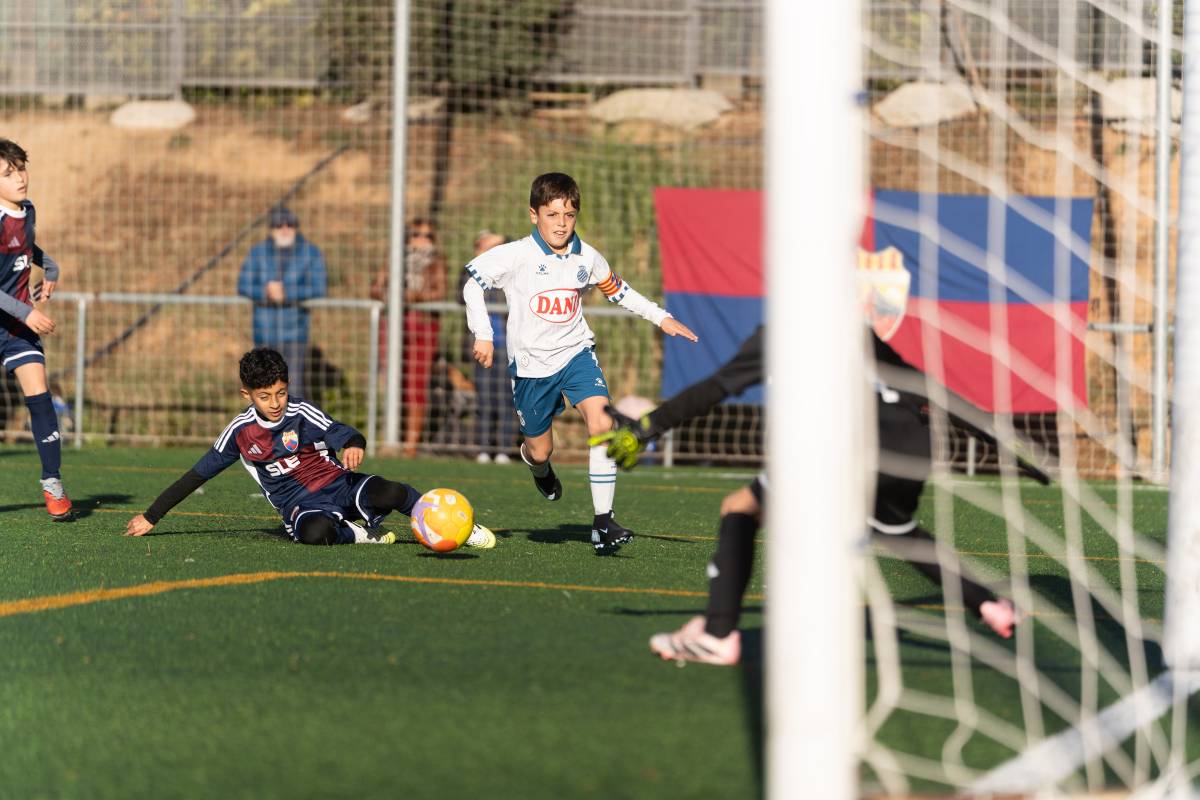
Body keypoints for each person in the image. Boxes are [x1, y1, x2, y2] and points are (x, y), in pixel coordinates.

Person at [592, 327, 1030, 665]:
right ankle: (990, 604)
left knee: (740, 508)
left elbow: (716, 388)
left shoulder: (783, 329)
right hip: (908, 445)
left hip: (841, 444)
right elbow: (922, 390)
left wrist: (648, 427)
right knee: (897, 530)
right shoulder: (854, 327)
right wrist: (1003, 442)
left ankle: (717, 635)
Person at [463, 172, 698, 554]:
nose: (561, 223)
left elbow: (618, 290)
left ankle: (602, 523)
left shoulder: (586, 256)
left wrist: (661, 317)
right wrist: (483, 333)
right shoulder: (516, 255)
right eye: (552, 214)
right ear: (533, 214)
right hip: (531, 368)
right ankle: (538, 468)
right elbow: (473, 282)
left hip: (576, 354)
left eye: (568, 215)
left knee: (603, 422)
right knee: (540, 450)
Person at [123, 347, 496, 549]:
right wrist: (152, 516)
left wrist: (352, 444)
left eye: (281, 392)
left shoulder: (300, 411)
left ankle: (460, 527)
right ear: (247, 395)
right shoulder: (240, 432)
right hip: (301, 505)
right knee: (315, 534)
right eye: (265, 396)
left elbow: (339, 431)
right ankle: (362, 534)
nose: (275, 402)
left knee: (392, 491)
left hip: (340, 484)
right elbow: (197, 474)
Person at [0, 139, 72, 519]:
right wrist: (27, 313)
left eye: (21, 169)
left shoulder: (26, 210)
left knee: (40, 395)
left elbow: (27, 248)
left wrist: (52, 268)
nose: (20, 178)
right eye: (8, 174)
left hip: (14, 329)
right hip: (16, 317)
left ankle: (52, 483)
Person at [371, 219, 447, 458]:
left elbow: (440, 291)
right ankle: (391, 436)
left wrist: (413, 296)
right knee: (392, 381)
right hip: (393, 325)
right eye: (416, 234)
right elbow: (375, 288)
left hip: (422, 327)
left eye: (428, 235)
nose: (422, 239)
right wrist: (388, 293)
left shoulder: (436, 261)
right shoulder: (395, 259)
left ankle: (411, 444)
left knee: (416, 385)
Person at [237, 206, 327, 400]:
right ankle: (265, 431)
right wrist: (266, 292)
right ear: (271, 228)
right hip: (265, 332)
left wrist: (287, 293)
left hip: (295, 334)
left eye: (290, 224)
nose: (285, 228)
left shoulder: (310, 253)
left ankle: (296, 430)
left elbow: (319, 287)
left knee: (293, 390)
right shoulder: (257, 252)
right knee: (263, 389)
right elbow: (243, 284)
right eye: (279, 224)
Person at [467, 229, 516, 464]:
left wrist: (500, 244)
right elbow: (463, 292)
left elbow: (516, 244)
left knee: (508, 400)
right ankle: (484, 448)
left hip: (508, 347)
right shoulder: (471, 275)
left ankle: (506, 449)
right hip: (483, 348)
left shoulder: (506, 274)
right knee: (484, 400)